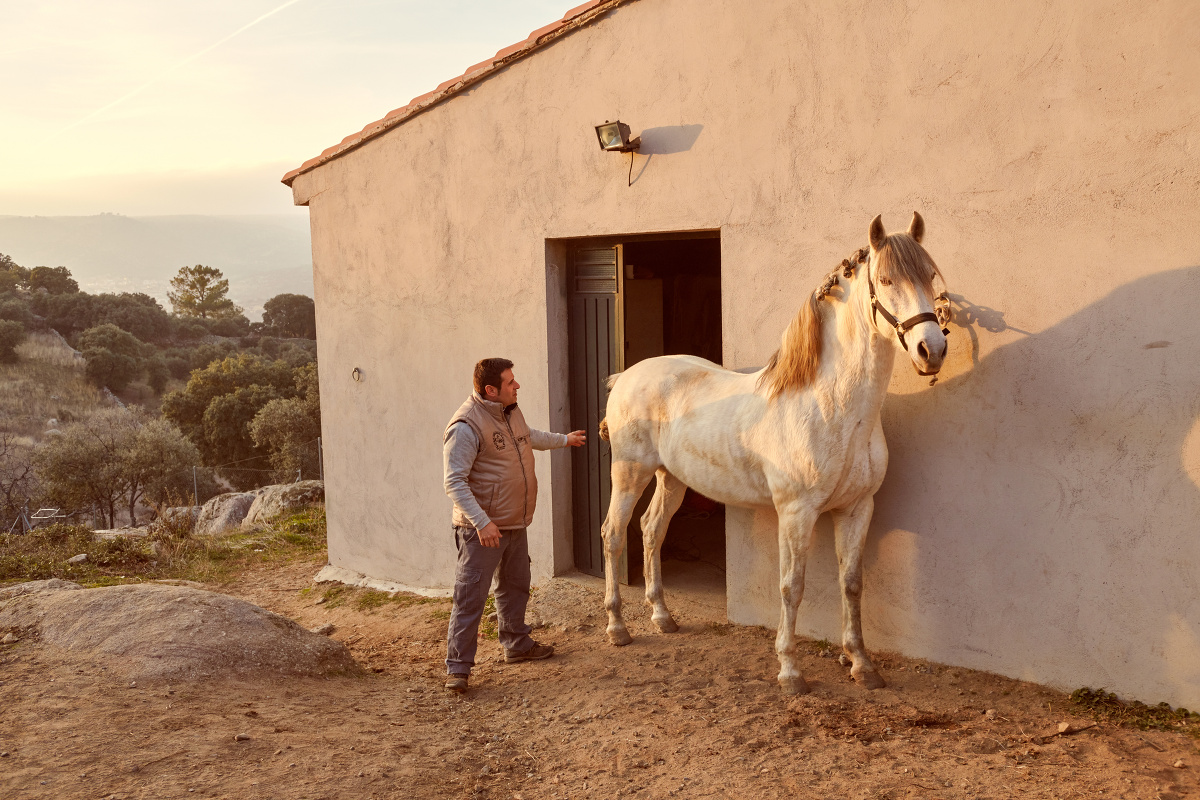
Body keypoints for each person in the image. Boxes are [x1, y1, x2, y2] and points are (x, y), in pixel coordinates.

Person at [442, 358, 585, 692]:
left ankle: (516, 645)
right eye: (510, 382)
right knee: (470, 596)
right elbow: (454, 482)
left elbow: (527, 436)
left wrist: (564, 440)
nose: (516, 386)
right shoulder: (465, 426)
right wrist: (482, 522)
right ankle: (458, 670)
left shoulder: (509, 411)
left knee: (516, 585)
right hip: (481, 530)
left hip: (514, 523)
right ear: (491, 389)